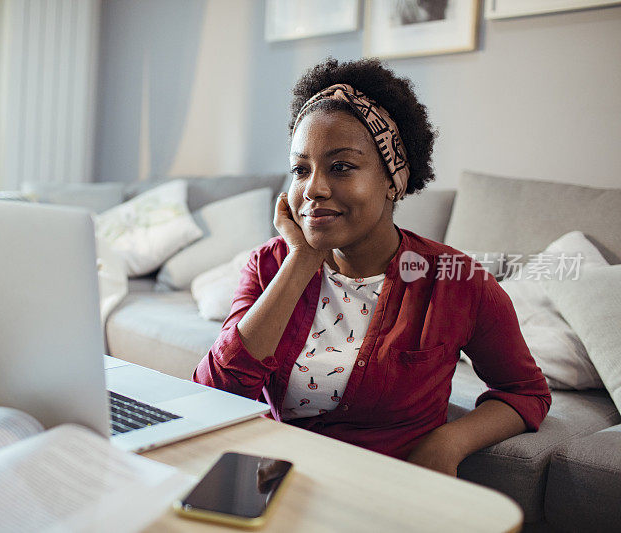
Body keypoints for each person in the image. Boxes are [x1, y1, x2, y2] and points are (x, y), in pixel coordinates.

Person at [193, 58, 551, 476]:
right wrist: (302, 261)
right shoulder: (270, 265)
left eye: (341, 166)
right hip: (278, 484)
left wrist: (448, 442)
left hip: (386, 491)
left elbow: (525, 392)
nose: (314, 189)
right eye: (300, 170)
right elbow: (215, 391)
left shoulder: (458, 282)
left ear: (393, 180)